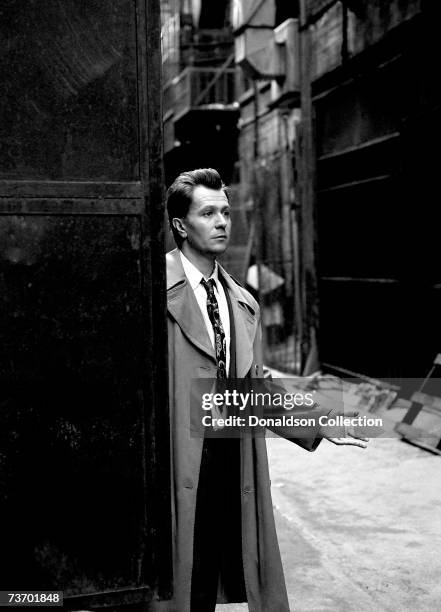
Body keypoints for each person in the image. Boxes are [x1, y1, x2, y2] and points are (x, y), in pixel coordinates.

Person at [163, 168, 368, 612]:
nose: (221, 222)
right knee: (174, 581)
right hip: (173, 462)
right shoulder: (152, 290)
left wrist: (320, 420)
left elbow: (253, 388)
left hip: (228, 457)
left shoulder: (241, 300)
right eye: (207, 213)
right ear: (181, 225)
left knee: (207, 577)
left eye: (225, 212)